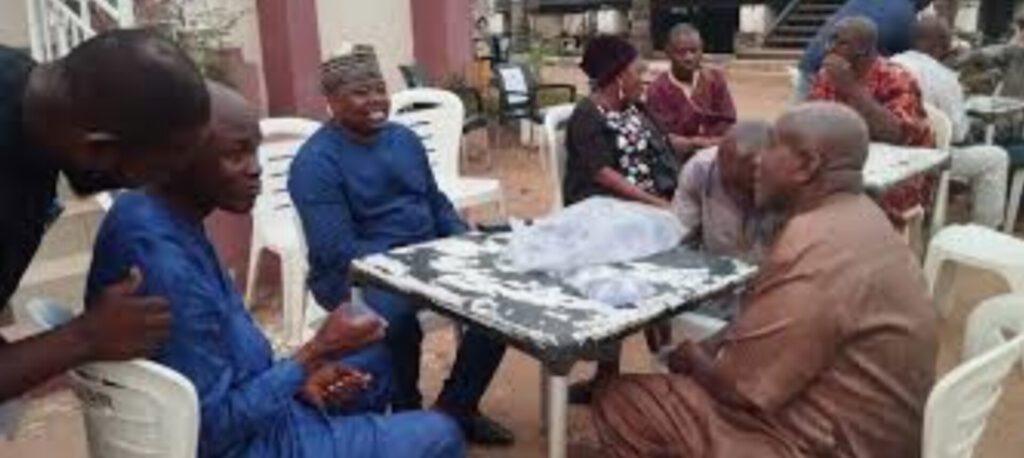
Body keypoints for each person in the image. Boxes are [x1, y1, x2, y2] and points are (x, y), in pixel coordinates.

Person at [86, 82, 464, 458]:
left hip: (253, 407)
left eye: (254, 150)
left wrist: (298, 380)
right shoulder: (164, 263)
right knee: (440, 433)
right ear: (177, 156)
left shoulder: (152, 212)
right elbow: (211, 433)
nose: (256, 170)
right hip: (248, 444)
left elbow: (225, 360)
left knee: (378, 364)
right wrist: (313, 353)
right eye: (236, 155)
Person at [590, 102, 938, 458]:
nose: (760, 163)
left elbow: (738, 391)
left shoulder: (812, 243)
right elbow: (776, 326)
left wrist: (693, 359)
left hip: (818, 446)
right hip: (868, 433)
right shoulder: (865, 219)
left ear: (807, 165)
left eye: (771, 147)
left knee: (623, 400)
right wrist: (713, 345)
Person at [288, 44, 513, 446]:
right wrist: (412, 270)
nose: (375, 100)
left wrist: (465, 243)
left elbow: (435, 202)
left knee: (499, 296)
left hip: (425, 258)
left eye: (379, 89)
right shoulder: (315, 163)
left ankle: (457, 408)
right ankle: (408, 414)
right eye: (360, 93)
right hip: (354, 273)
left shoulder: (404, 139)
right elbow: (336, 250)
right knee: (395, 319)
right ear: (332, 101)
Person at [0, 29, 210, 403]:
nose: (146, 187)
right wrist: (86, 337)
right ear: (97, 149)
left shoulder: (28, 98)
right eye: (155, 171)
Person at [810, 16, 935, 225]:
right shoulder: (827, 76)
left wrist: (850, 87)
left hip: (900, 175)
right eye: (830, 40)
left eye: (840, 42)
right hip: (849, 165)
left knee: (852, 205)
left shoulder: (897, 77)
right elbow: (812, 122)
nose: (829, 49)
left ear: (863, 48)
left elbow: (895, 135)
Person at [892, 15, 1010, 228]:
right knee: (996, 158)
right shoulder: (943, 77)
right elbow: (957, 133)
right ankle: (985, 232)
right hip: (924, 158)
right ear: (941, 46)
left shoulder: (891, 62)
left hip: (889, 150)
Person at [564, 35, 679, 208]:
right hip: (606, 206)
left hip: (648, 200)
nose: (643, 80)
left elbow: (663, 143)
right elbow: (603, 175)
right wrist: (657, 204)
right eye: (638, 72)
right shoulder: (587, 115)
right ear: (619, 77)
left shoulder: (636, 108)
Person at [672, 120, 776, 264]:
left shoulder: (788, 183)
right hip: (717, 265)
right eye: (725, 181)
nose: (732, 192)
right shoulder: (701, 169)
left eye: (736, 182)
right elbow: (681, 230)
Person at [793, 0, 933, 102]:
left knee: (804, 126)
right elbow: (911, 63)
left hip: (813, 63)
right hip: (834, 71)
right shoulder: (905, 18)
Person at [646, 23, 736, 159]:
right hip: (678, 162)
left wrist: (693, 142)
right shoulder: (658, 89)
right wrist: (701, 142)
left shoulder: (715, 80)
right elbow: (666, 139)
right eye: (681, 52)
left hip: (716, 157)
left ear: (702, 50)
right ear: (668, 52)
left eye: (694, 51)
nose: (689, 58)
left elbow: (728, 123)